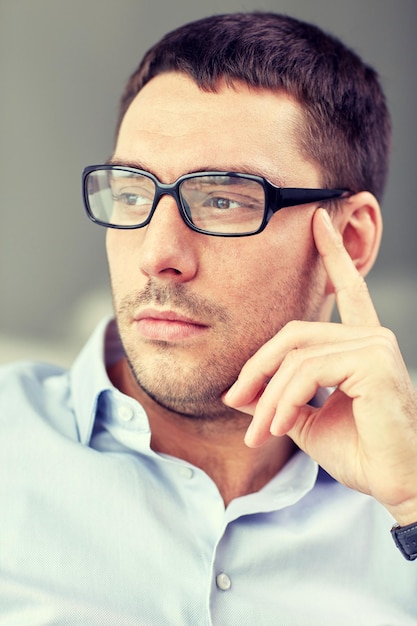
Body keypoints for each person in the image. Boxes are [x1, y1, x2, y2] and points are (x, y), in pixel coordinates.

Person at [1, 11, 416, 625]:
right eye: (134, 194)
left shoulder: (405, 480)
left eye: (222, 199)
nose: (157, 254)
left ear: (349, 243)